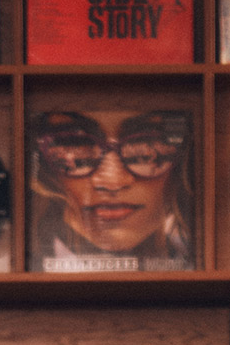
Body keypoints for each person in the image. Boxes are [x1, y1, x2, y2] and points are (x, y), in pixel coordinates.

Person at [29, 109, 193, 269]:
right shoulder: (32, 262)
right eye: (73, 143)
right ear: (42, 168)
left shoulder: (188, 259)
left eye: (147, 142)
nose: (112, 182)